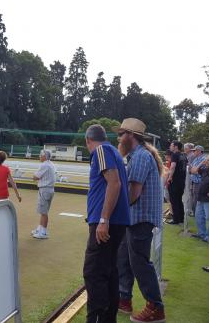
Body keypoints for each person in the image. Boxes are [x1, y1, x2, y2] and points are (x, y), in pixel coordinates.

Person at [114, 118, 166, 323]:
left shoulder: (141, 157)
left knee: (140, 263)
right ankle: (124, 299)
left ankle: (156, 307)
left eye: (121, 134)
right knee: (125, 259)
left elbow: (134, 193)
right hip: (136, 218)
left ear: (130, 136)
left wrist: (115, 212)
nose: (118, 138)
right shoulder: (139, 155)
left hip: (140, 218)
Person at [83, 124, 130, 323]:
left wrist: (104, 219)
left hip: (106, 221)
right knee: (109, 271)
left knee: (94, 272)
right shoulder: (113, 152)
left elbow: (114, 182)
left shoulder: (101, 151)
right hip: (115, 221)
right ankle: (108, 318)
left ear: (88, 141)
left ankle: (96, 318)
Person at [31, 150, 56, 239]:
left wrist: (34, 176)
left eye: (40, 155)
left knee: (44, 212)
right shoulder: (51, 164)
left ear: (45, 156)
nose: (39, 156)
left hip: (45, 189)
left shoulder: (44, 165)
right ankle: (40, 229)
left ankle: (44, 232)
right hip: (49, 189)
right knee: (43, 211)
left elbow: (35, 177)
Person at [165, 141, 187, 225]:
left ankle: (176, 220)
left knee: (174, 201)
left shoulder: (174, 155)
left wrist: (169, 177)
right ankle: (181, 219)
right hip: (182, 181)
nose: (170, 146)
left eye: (171, 145)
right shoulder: (184, 155)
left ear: (176, 146)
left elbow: (173, 166)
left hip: (175, 181)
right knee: (179, 200)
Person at [188, 145, 206, 217]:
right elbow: (191, 170)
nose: (193, 152)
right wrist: (193, 170)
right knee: (194, 197)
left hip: (199, 182)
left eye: (194, 151)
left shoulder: (204, 159)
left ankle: (197, 214)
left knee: (197, 198)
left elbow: (196, 171)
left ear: (199, 151)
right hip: (194, 181)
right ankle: (195, 213)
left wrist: (193, 170)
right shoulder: (196, 159)